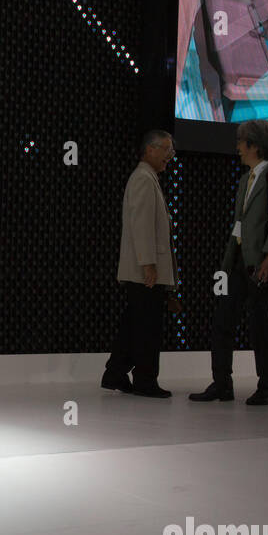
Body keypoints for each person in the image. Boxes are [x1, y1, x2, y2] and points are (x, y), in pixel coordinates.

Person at [190, 119, 268, 405]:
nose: (237, 148)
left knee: (260, 325)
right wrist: (226, 261)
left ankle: (267, 386)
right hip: (237, 262)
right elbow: (239, 223)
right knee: (222, 322)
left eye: (241, 142)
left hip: (259, 262)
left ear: (255, 146)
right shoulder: (245, 179)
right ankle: (221, 383)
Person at [103, 130, 179, 398]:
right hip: (144, 272)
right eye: (166, 149)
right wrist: (148, 264)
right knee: (146, 328)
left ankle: (116, 372)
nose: (170, 155)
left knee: (135, 323)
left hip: (142, 270)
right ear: (150, 150)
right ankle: (145, 380)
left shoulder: (147, 178)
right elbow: (142, 225)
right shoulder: (144, 179)